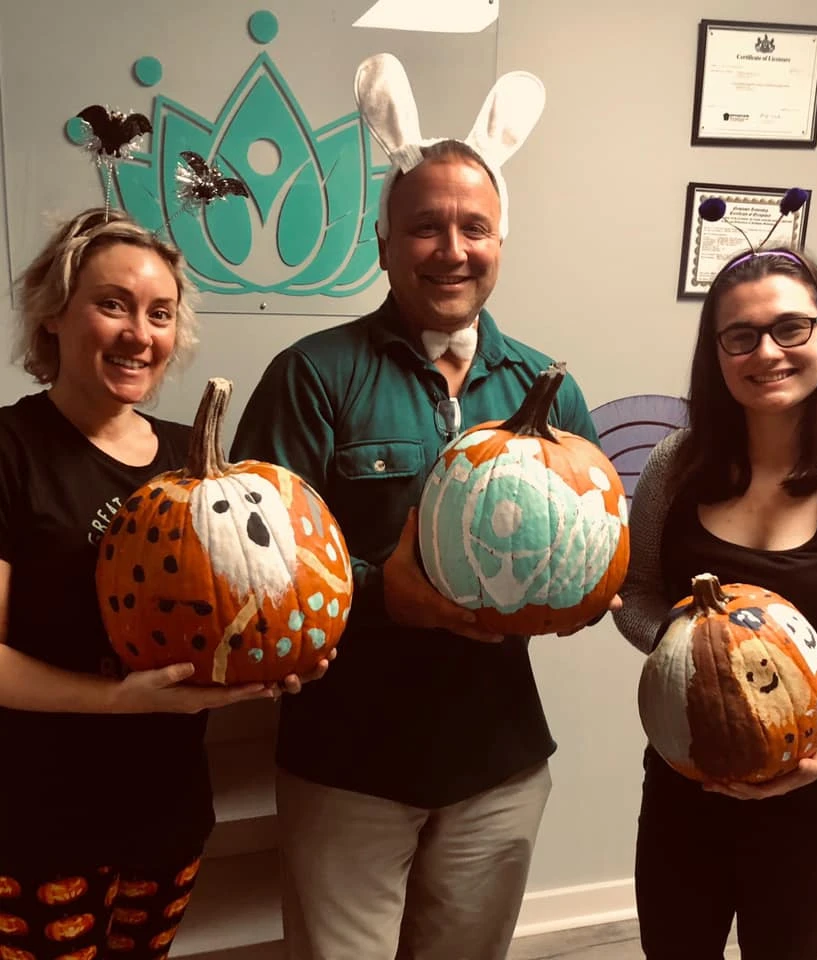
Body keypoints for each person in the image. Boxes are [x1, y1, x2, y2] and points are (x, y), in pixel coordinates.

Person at [230, 52, 608, 960]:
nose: (452, 249)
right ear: (384, 243)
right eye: (425, 227)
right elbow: (253, 562)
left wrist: (581, 596)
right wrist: (382, 595)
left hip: (498, 765)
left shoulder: (547, 387)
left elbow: (596, 544)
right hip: (347, 767)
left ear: (501, 241)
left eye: (474, 226)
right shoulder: (311, 376)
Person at [0, 208, 287, 960]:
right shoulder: (9, 452)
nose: (140, 334)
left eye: (160, 314)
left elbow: (233, 605)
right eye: (113, 305)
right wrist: (117, 700)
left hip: (168, 811)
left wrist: (277, 655)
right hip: (35, 820)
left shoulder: (198, 459)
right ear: (54, 314)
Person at [613, 244, 817, 959]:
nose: (768, 352)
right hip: (683, 784)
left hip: (816, 802)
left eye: (791, 327)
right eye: (741, 335)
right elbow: (638, 591)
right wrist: (693, 644)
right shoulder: (676, 465)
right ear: (716, 352)